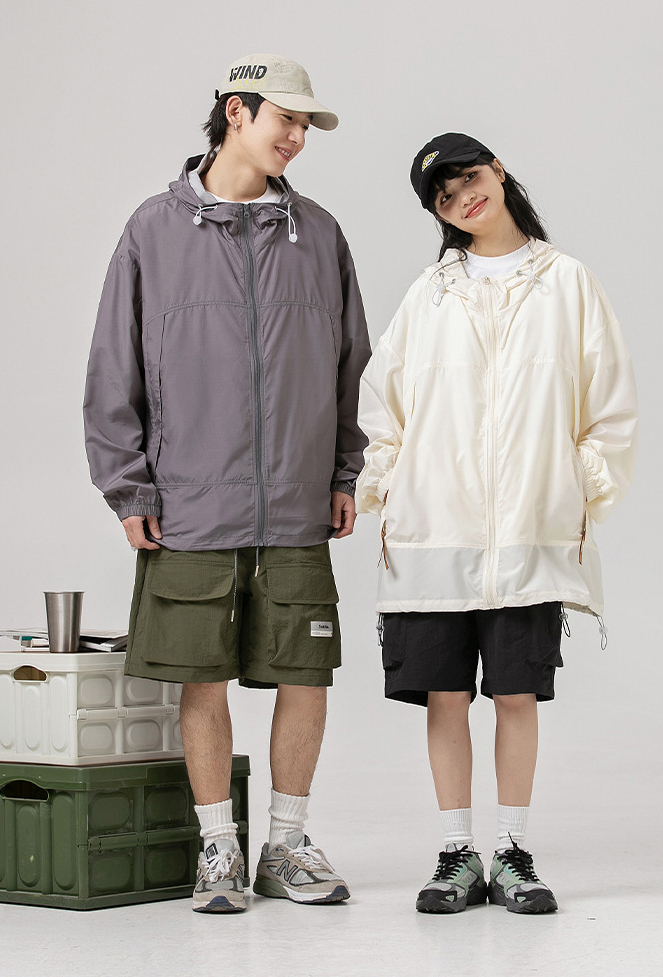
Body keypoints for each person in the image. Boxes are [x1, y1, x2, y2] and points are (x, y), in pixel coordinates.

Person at [84, 53, 371, 914]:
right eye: (286, 119)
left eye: (306, 125)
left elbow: (351, 364)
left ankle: (286, 842)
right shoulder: (153, 230)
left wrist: (343, 469)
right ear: (236, 112)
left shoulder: (318, 233)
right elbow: (113, 364)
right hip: (190, 501)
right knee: (199, 677)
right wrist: (130, 488)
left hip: (295, 501)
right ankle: (219, 847)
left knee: (306, 672)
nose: (297, 138)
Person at [355, 132, 637, 915]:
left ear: (499, 171)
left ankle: (511, 851)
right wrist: (387, 487)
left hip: (528, 538)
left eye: (469, 178)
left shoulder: (567, 282)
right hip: (431, 534)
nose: (463, 199)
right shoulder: (429, 293)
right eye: (445, 197)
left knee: (516, 695)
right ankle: (456, 852)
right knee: (444, 696)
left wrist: (570, 493)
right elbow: (382, 403)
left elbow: (609, 404)